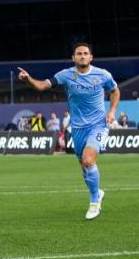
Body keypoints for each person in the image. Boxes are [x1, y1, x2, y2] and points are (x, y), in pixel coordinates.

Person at [18, 42, 120, 220]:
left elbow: (115, 91)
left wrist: (111, 111)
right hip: (77, 128)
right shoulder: (65, 75)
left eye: (85, 53)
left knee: (89, 161)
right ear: (73, 58)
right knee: (84, 168)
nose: (82, 56)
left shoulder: (102, 74)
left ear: (91, 57)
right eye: (79, 54)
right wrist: (28, 79)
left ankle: (94, 202)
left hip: (98, 125)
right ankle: (97, 192)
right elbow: (42, 86)